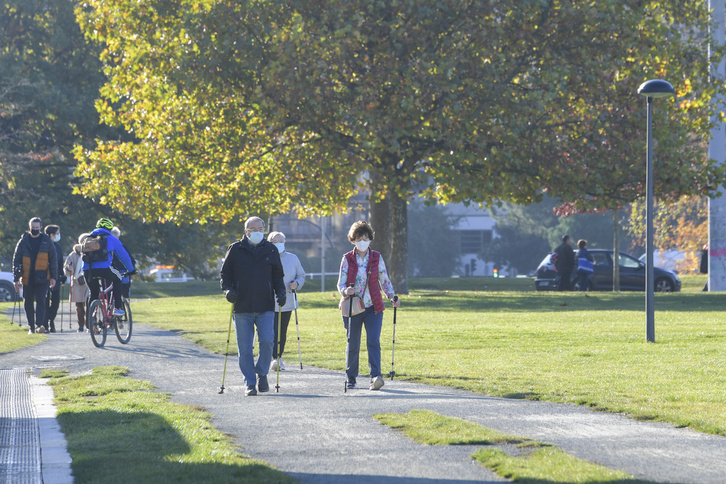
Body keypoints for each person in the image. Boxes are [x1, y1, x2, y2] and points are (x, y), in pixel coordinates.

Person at [220, 216, 286, 396]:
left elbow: (278, 277)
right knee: (245, 348)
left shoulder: (271, 249)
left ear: (263, 230)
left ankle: (262, 373)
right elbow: (225, 275)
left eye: (259, 228)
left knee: (267, 341)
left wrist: (281, 293)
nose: (256, 231)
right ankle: (250, 382)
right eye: (252, 229)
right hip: (242, 307)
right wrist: (228, 291)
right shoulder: (235, 249)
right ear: (246, 231)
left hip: (265, 305)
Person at [337, 220, 399, 391]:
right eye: (359, 238)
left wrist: (392, 296)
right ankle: (351, 378)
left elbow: (384, 279)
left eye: (365, 238)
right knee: (353, 343)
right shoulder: (347, 259)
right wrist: (345, 291)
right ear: (353, 240)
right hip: (353, 307)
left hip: (374, 307)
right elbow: (340, 283)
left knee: (373, 341)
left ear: (370, 238)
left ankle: (375, 377)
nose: (362, 241)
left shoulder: (376, 257)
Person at [267, 231, 306, 372]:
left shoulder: (293, 258)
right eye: (275, 242)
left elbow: (301, 275)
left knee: (281, 331)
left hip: (287, 301)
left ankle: (277, 358)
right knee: (269, 331)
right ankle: (269, 357)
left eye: (281, 241)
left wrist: (297, 283)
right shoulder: (265, 257)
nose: (278, 244)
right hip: (267, 301)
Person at [12, 217, 58, 334]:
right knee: (28, 302)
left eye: (37, 228)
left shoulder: (47, 241)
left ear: (41, 227)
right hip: (27, 277)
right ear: (29, 227)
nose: (35, 230)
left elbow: (53, 260)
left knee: (41, 301)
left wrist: (54, 277)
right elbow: (16, 260)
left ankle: (40, 325)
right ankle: (31, 327)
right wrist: (16, 278)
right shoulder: (23, 241)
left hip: (43, 276)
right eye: (33, 228)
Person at [82, 218, 135, 317]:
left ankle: (91, 319)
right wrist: (131, 270)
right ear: (110, 229)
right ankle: (117, 308)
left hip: (87, 269)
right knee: (118, 279)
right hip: (104, 268)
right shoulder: (111, 238)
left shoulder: (87, 239)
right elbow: (124, 256)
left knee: (93, 293)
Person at [64, 234, 91, 332]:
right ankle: (81, 325)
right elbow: (66, 267)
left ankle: (89, 325)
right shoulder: (73, 254)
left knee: (90, 305)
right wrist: (68, 268)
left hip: (89, 282)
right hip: (77, 283)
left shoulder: (93, 252)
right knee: (79, 306)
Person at [44, 224, 66, 332]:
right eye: (57, 233)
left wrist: (62, 275)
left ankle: (51, 319)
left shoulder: (57, 247)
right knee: (45, 299)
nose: (58, 235)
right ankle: (45, 323)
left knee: (56, 301)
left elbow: (60, 262)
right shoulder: (43, 245)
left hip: (56, 276)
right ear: (51, 234)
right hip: (45, 276)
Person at [111, 226, 136, 299]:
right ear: (118, 236)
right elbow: (130, 260)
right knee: (124, 294)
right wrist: (132, 270)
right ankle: (122, 306)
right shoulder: (122, 247)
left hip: (109, 271)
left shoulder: (105, 246)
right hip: (122, 272)